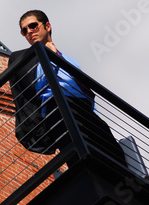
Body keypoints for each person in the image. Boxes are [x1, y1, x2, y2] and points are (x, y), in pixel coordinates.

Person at [8, 10, 126, 167]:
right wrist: (49, 56)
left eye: (33, 26)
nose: (29, 32)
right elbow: (36, 86)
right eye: (24, 30)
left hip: (86, 110)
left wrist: (95, 114)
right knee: (81, 157)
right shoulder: (24, 58)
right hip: (57, 108)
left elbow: (85, 93)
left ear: (47, 26)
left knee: (113, 153)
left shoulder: (70, 60)